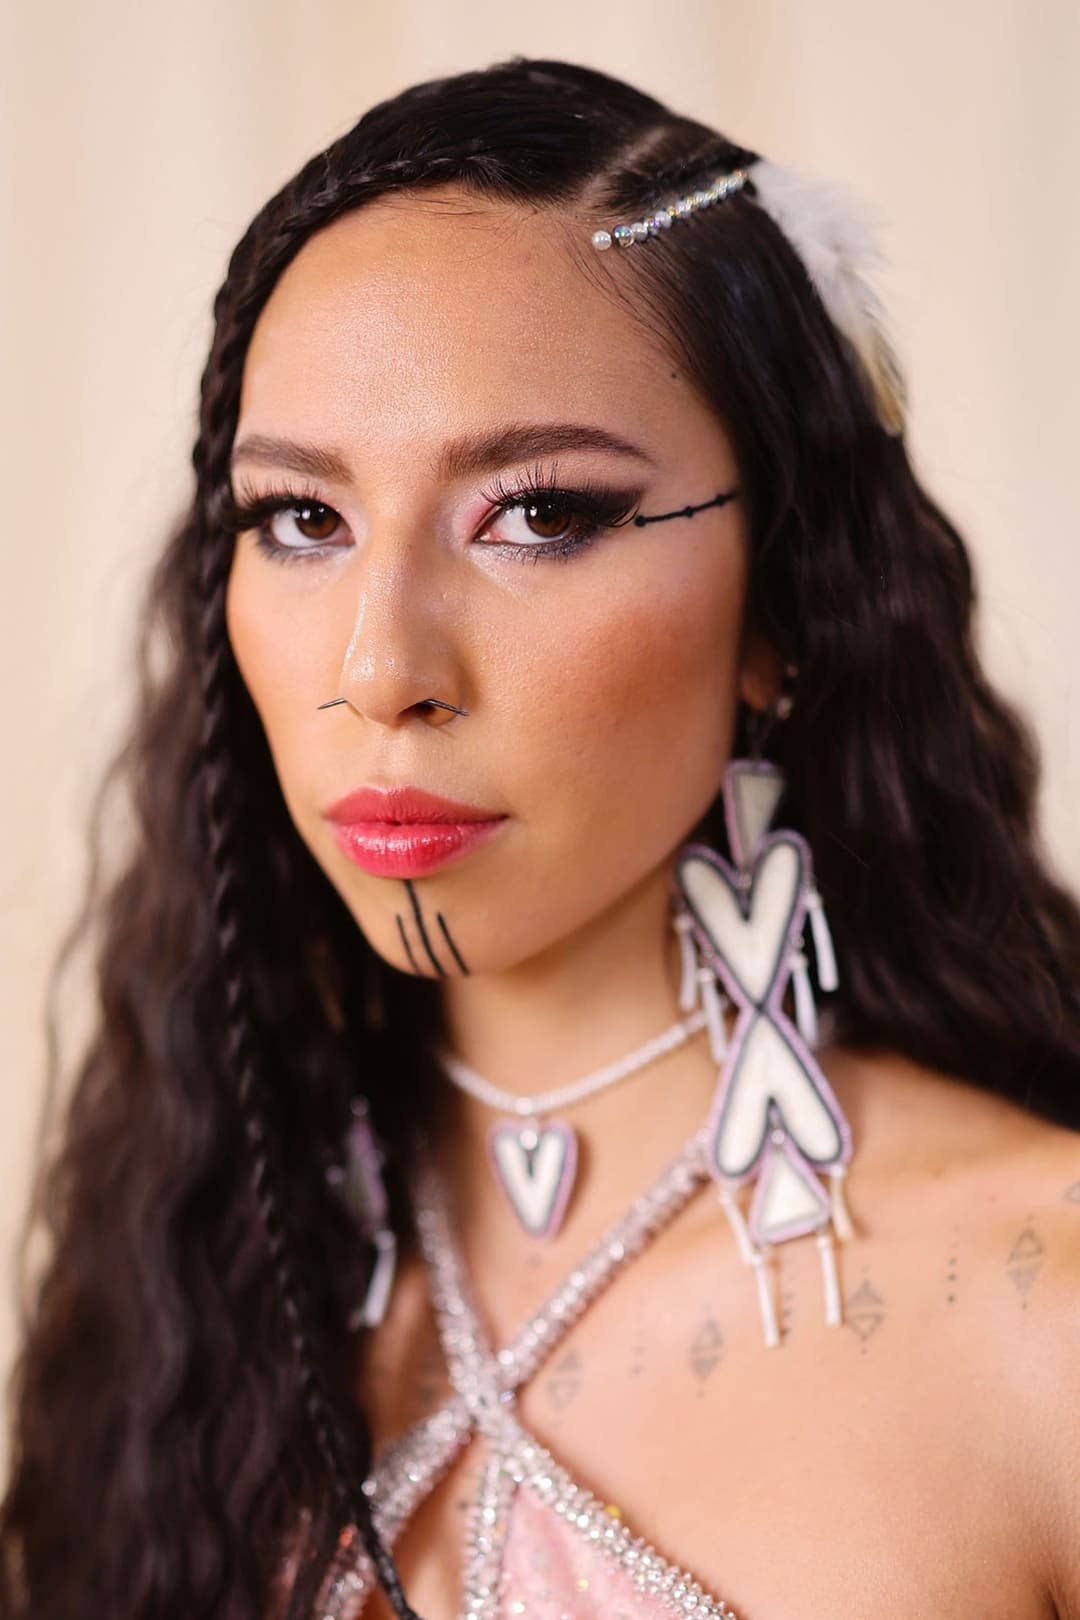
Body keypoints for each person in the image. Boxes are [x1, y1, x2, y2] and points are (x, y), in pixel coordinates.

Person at [2, 52, 1079, 1620]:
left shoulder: (1041, 1304)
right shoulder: (182, 1294)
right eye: (301, 519)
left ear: (785, 595)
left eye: (541, 514)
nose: (381, 669)